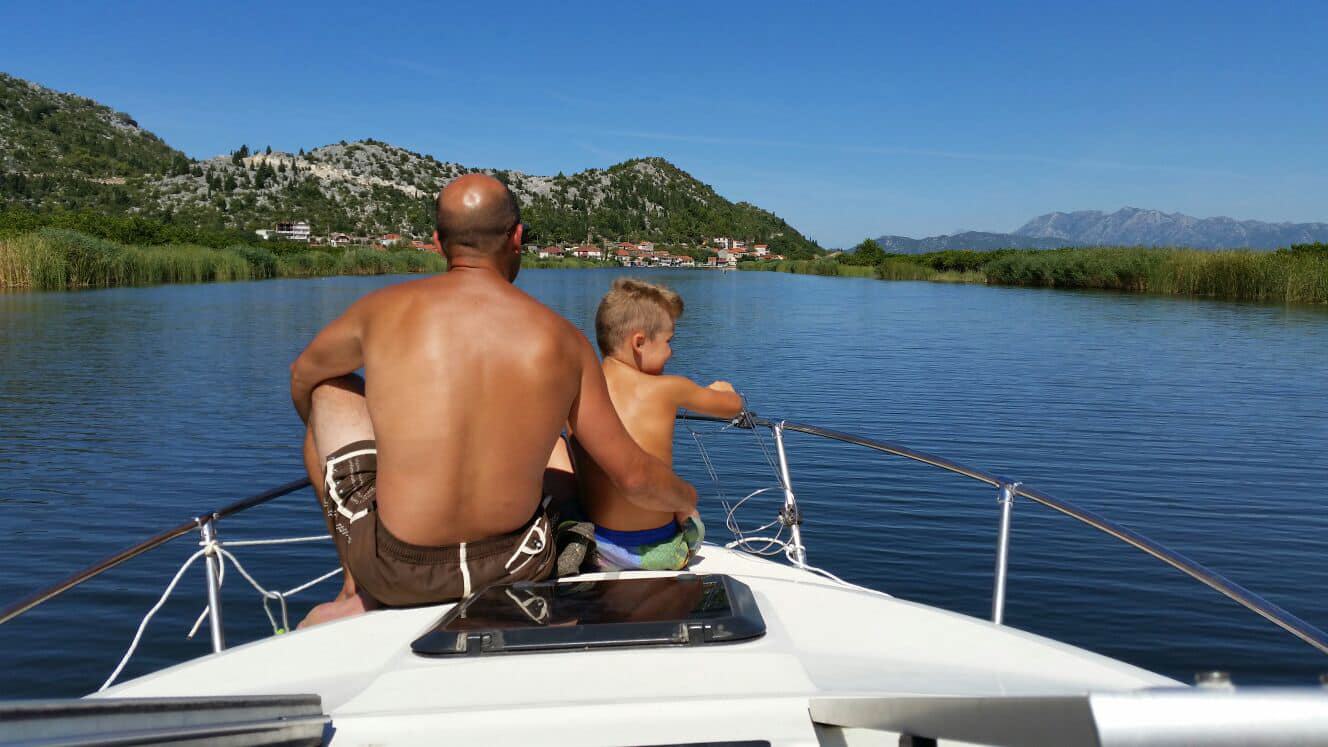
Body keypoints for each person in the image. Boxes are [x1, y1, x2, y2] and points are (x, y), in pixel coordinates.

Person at [290, 175, 697, 627]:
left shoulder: (379, 311)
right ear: (517, 237)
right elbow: (634, 477)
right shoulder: (562, 339)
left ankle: (354, 586)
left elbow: (303, 376)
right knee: (557, 442)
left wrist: (389, 456)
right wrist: (687, 497)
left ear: (438, 243)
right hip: (517, 565)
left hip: (397, 573)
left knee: (327, 387)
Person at [574, 278, 745, 571]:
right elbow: (731, 407)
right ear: (639, 343)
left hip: (598, 546)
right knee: (688, 513)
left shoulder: (581, 389)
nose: (671, 352)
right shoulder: (667, 388)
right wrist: (724, 390)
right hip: (657, 550)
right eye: (668, 342)